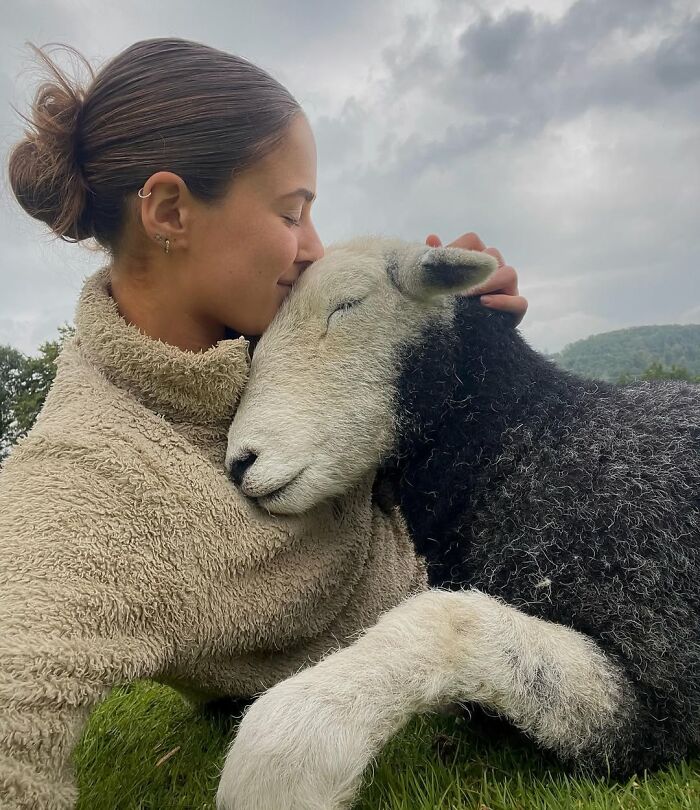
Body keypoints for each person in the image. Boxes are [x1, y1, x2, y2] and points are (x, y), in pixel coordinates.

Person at [1, 37, 528, 809]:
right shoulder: (87, 487)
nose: (314, 246)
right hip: (409, 658)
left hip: (496, 584)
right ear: (171, 212)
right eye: (292, 211)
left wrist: (466, 340)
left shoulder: (285, 322)